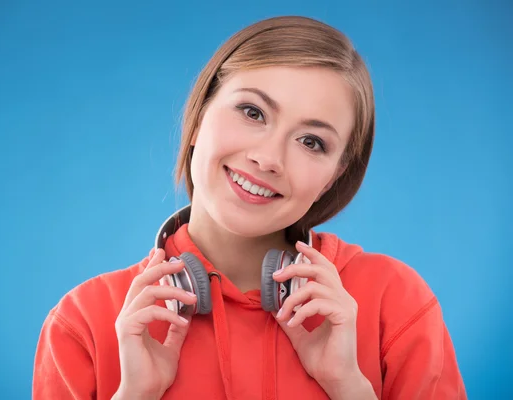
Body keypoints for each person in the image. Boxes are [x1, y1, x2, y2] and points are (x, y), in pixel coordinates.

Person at [32, 16, 467, 400]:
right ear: (200, 114)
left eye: (311, 142)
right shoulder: (84, 323)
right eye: (252, 112)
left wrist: (349, 388)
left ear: (331, 178)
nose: (269, 158)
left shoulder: (395, 303)